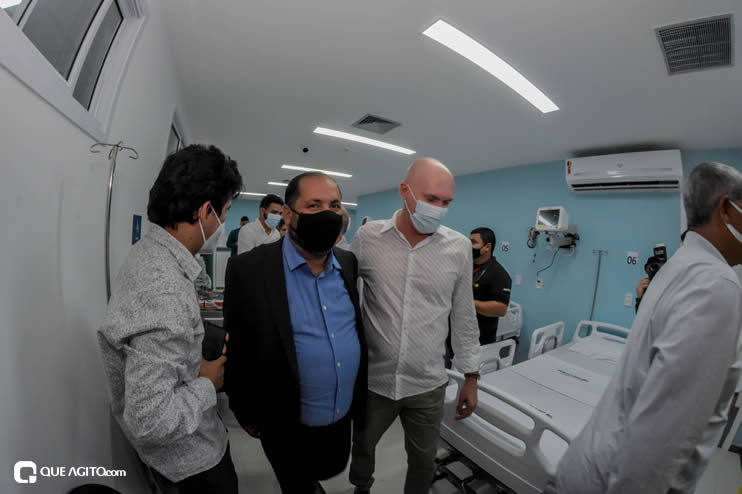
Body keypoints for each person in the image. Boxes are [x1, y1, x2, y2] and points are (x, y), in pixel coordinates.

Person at [554, 161, 742, 494]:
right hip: (616, 479)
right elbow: (664, 431)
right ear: (726, 209)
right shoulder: (716, 283)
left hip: (592, 461)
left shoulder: (677, 266)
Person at [97, 145, 243, 494]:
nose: (222, 223)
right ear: (205, 212)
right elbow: (151, 421)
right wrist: (207, 382)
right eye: (224, 213)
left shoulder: (149, 252)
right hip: (193, 464)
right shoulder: (165, 289)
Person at [224, 171, 368, 494]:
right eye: (314, 205)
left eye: (334, 205)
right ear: (288, 215)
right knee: (296, 482)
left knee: (330, 468)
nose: (327, 214)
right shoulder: (249, 269)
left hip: (340, 415)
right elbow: (238, 347)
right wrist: (245, 409)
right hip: (284, 421)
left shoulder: (348, 263)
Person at [349, 157, 480, 494]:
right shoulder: (368, 238)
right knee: (362, 448)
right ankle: (361, 488)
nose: (438, 208)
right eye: (431, 198)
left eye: (446, 202)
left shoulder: (458, 248)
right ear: (405, 191)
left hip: (427, 382)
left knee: (423, 462)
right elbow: (342, 297)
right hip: (373, 380)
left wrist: (471, 376)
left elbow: (464, 315)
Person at [470, 227, 512, 345]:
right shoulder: (466, 265)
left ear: (487, 247)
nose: (469, 246)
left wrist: (467, 302)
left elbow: (501, 309)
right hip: (455, 334)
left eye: (474, 242)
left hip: (479, 340)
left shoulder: (499, 274)